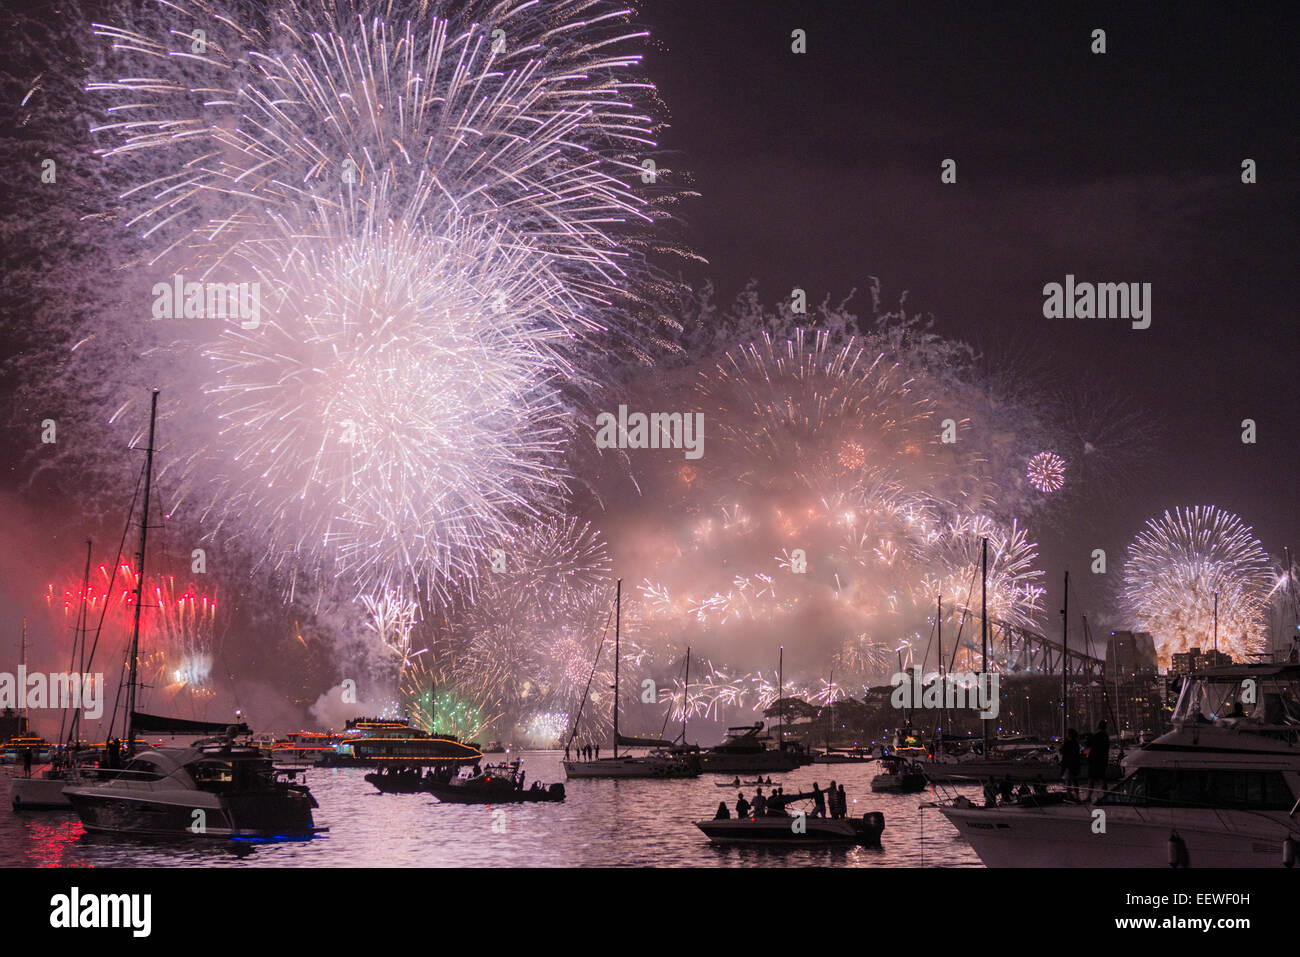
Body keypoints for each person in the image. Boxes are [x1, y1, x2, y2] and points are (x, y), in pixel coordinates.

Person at [1086, 720, 1110, 801]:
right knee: (1102, 778)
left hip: (1094, 760)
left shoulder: (1095, 736)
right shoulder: (1106, 736)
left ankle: (1089, 796)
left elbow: (1088, 746)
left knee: (1091, 779)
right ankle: (1106, 795)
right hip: (1102, 759)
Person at [1060, 728, 1081, 795]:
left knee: (1068, 780)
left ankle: (1069, 795)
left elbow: (1062, 751)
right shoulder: (1076, 743)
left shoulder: (1068, 743)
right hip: (1075, 764)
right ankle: (1077, 794)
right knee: (1074, 780)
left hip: (1068, 764)